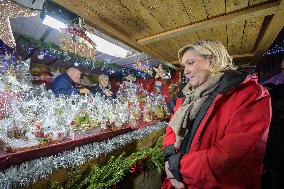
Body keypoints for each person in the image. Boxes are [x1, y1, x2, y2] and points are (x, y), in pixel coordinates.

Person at [162, 40, 271, 189]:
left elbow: (229, 156)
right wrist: (169, 155)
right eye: (184, 65)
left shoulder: (250, 94)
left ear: (212, 60)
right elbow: (171, 129)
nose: (185, 71)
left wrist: (177, 166)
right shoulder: (187, 97)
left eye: (190, 63)